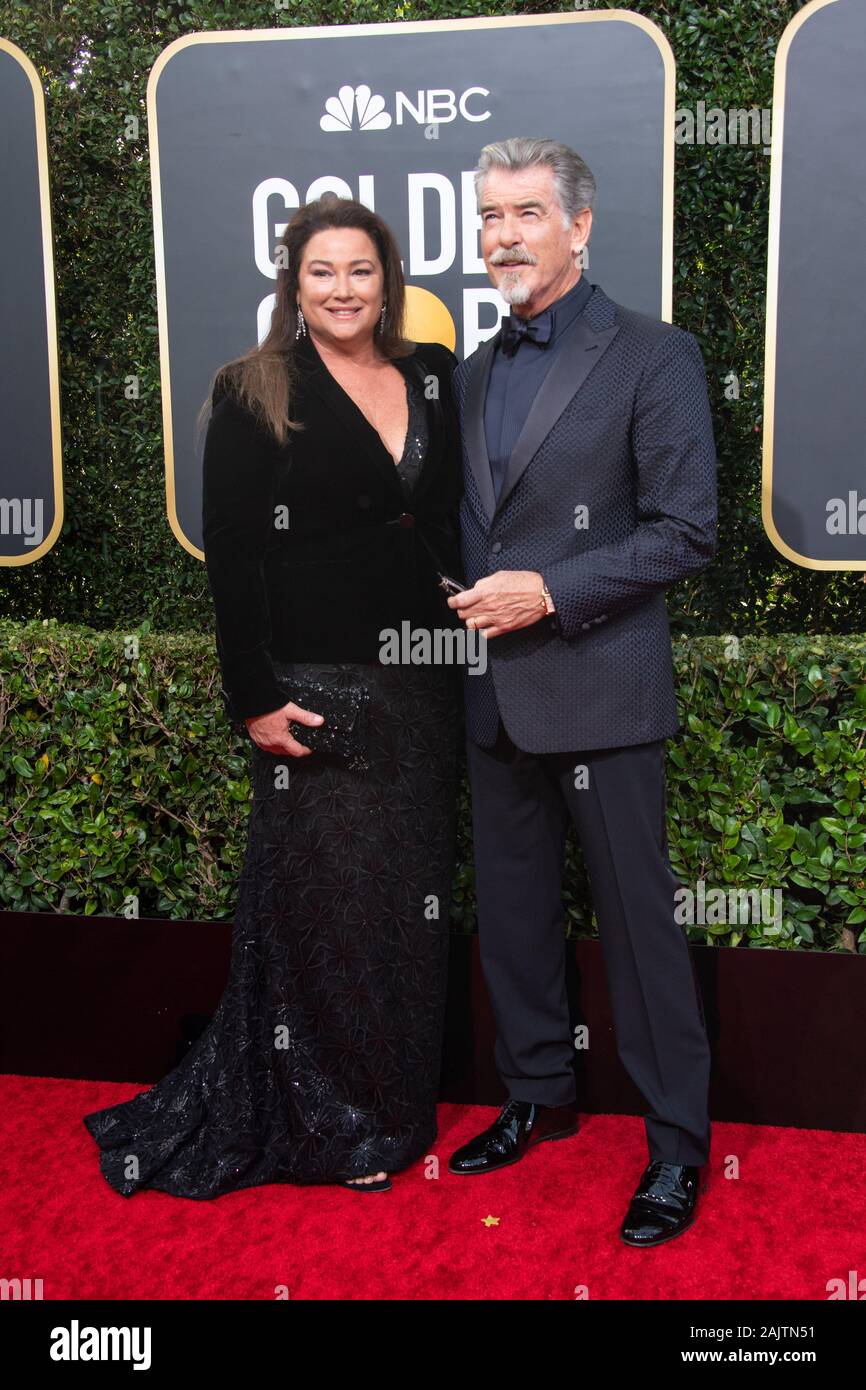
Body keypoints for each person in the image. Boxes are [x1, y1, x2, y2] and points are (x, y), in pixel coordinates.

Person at [83, 194, 464, 1196]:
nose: (343, 290)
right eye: (322, 273)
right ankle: (329, 1118)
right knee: (324, 914)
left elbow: (452, 516)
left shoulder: (431, 375)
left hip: (424, 682)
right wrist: (253, 696)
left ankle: (392, 1102)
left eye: (361, 270)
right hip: (316, 687)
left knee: (401, 911)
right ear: (293, 286)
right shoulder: (256, 387)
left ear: (389, 281)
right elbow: (235, 559)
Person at [446, 137, 717, 1246]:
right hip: (490, 696)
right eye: (487, 217)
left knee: (638, 929)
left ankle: (677, 1146)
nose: (501, 234)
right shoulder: (468, 369)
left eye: (522, 213)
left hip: (598, 686)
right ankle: (533, 1093)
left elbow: (684, 530)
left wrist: (547, 592)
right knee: (511, 915)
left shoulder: (652, 353)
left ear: (578, 224)